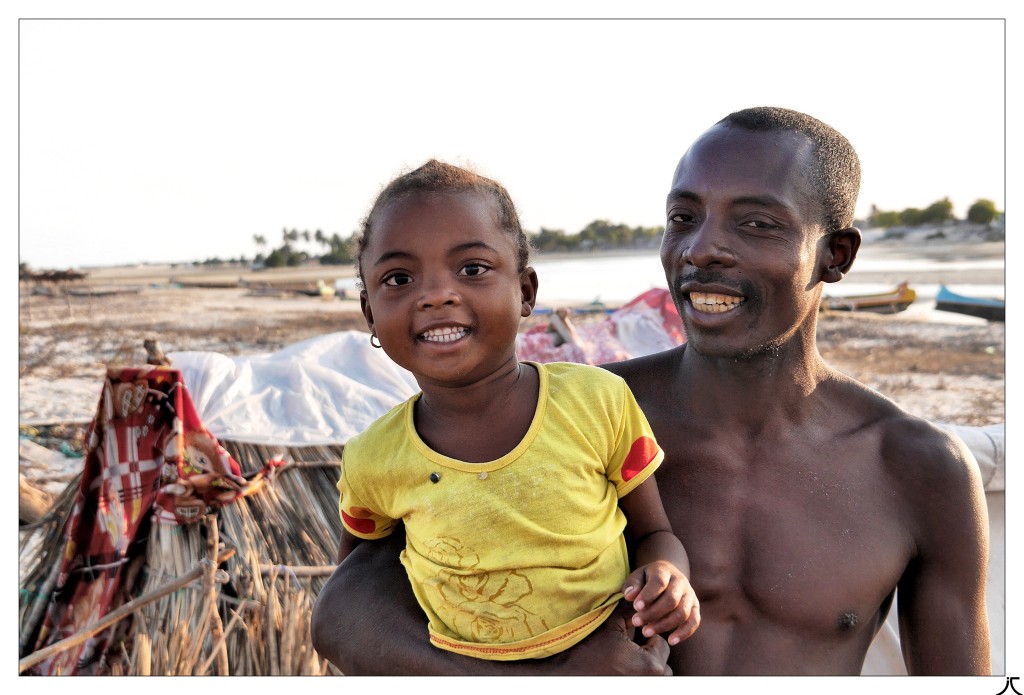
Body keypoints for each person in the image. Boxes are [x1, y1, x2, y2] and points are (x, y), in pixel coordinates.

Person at [311, 108, 991, 675]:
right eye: (683, 217)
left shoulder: (917, 468)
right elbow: (347, 611)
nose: (703, 249)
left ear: (834, 255)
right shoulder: (568, 418)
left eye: (755, 222)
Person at [329, 159, 700, 662]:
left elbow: (655, 533)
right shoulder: (372, 460)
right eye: (398, 278)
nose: (436, 294)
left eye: (472, 269)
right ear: (370, 312)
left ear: (525, 292)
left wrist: (668, 577)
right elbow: (352, 598)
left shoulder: (596, 402)